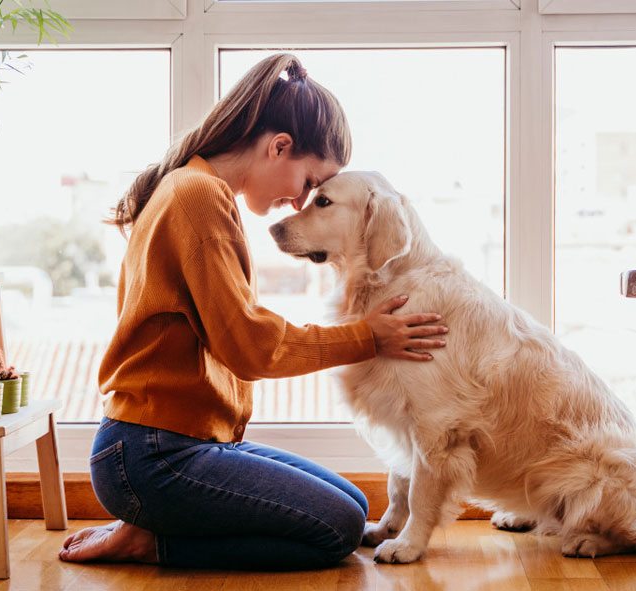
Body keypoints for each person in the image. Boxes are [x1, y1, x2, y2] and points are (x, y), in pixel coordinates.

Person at [58, 53, 448, 570]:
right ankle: (150, 541)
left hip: (183, 444)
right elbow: (251, 347)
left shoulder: (197, 187)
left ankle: (153, 520)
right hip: (152, 454)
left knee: (354, 505)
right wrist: (367, 336)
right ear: (279, 146)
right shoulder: (197, 197)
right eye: (309, 182)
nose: (300, 202)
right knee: (338, 528)